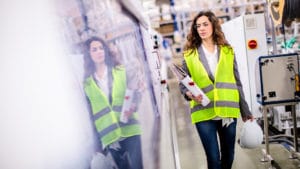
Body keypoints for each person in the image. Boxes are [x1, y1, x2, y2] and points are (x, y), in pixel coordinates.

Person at [179, 11, 254, 169]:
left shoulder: (227, 51)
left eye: (205, 24)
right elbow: (183, 83)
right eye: (198, 26)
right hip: (203, 111)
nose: (201, 28)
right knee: (213, 158)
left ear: (213, 25)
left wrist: (245, 111)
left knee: (229, 154)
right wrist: (189, 94)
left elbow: (237, 82)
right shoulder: (189, 55)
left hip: (227, 110)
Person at [83, 36, 144, 169]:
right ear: (88, 54)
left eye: (101, 48)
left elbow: (136, 94)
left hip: (130, 130)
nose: (99, 52)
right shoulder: (87, 84)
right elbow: (91, 116)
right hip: (110, 138)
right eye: (94, 49)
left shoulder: (120, 71)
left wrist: (134, 105)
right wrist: (97, 144)